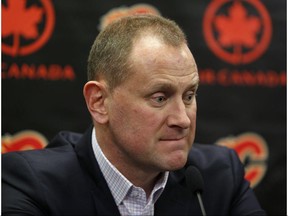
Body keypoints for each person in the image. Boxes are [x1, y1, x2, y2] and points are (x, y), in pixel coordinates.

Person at [2, 14, 265, 216]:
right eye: (160, 98)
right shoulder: (31, 184)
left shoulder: (220, 176)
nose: (183, 119)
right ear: (99, 102)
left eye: (189, 96)